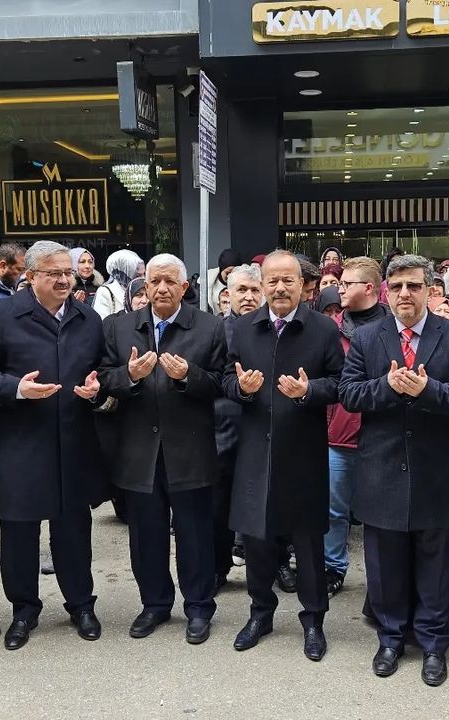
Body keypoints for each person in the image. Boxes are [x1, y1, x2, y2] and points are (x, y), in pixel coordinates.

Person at [339, 254, 449, 687]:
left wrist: (427, 390)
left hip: (440, 474)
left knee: (438, 566)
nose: (405, 294)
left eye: (414, 286)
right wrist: (385, 386)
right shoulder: (367, 339)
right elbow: (347, 394)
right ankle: (390, 637)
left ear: (428, 289)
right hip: (382, 471)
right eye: (398, 286)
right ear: (386, 290)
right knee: (384, 565)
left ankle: (435, 644)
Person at [0, 241, 109, 651]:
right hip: (20, 445)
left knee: (74, 531)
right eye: (53, 273)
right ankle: (24, 609)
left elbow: (104, 372)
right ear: (30, 276)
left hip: (73, 442)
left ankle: (81, 603)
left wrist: (97, 390)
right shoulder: (1, 315)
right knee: (19, 535)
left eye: (68, 272)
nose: (64, 279)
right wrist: (17, 389)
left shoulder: (87, 318)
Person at [99, 254, 226, 645]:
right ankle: (154, 604)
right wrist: (129, 376)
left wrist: (189, 376)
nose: (162, 289)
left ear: (184, 287)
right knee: (146, 536)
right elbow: (102, 378)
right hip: (140, 452)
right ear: (144, 285)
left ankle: (199, 606)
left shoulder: (210, 327)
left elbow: (224, 383)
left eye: (170, 281)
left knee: (194, 534)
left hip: (190, 450)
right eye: (154, 281)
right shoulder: (119, 328)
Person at [223, 250, 344, 661]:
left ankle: (313, 620)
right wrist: (242, 389)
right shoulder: (244, 327)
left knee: (307, 542)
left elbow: (342, 384)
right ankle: (261, 613)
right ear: (262, 286)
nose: (279, 288)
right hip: (256, 449)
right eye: (271, 281)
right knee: (257, 540)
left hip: (303, 451)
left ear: (302, 286)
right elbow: (227, 377)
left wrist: (310, 392)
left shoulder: (324, 329)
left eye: (287, 281)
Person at [324, 256, 391, 598]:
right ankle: (333, 568)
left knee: (382, 516)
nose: (339, 289)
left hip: (384, 437)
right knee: (334, 511)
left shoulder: (395, 328)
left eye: (346, 283)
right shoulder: (331, 330)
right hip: (338, 436)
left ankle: (382, 583)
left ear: (368, 288)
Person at [214, 264, 264, 589]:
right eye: (241, 290)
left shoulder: (272, 330)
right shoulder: (214, 331)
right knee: (219, 505)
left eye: (253, 290)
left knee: (262, 502)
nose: (247, 296)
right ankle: (218, 567)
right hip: (223, 429)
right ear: (227, 294)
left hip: (262, 428)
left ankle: (271, 566)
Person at [93, 248, 144, 318]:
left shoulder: (144, 289)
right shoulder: (105, 292)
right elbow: (103, 323)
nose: (142, 278)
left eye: (144, 274)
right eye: (137, 275)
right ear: (124, 273)